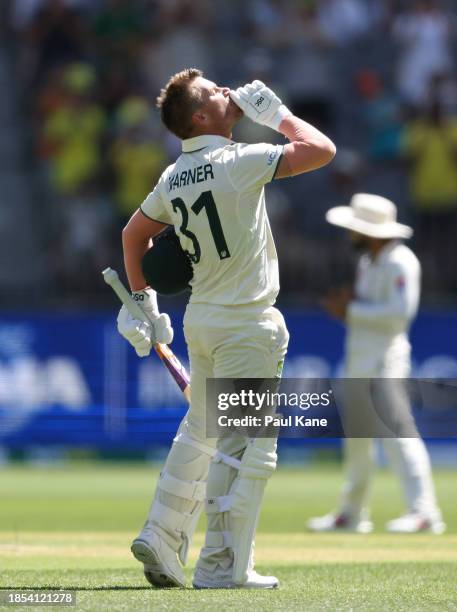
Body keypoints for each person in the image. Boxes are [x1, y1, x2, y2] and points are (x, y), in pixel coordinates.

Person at [116, 69, 335, 589]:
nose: (227, 91)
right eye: (215, 92)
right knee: (246, 446)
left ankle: (162, 536)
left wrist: (143, 302)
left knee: (201, 432)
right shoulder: (240, 162)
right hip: (246, 325)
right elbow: (322, 149)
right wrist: (276, 114)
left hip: (203, 320)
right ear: (200, 117)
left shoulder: (173, 176)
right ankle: (221, 568)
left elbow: (133, 235)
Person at [307, 193, 445, 535]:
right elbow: (373, 313)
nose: (350, 235)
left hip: (386, 362)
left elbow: (400, 315)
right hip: (359, 359)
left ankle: (425, 512)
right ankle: (352, 513)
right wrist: (350, 311)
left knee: (398, 436)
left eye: (355, 229)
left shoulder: (401, 261)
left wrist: (349, 311)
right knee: (357, 441)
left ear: (369, 231)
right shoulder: (370, 261)